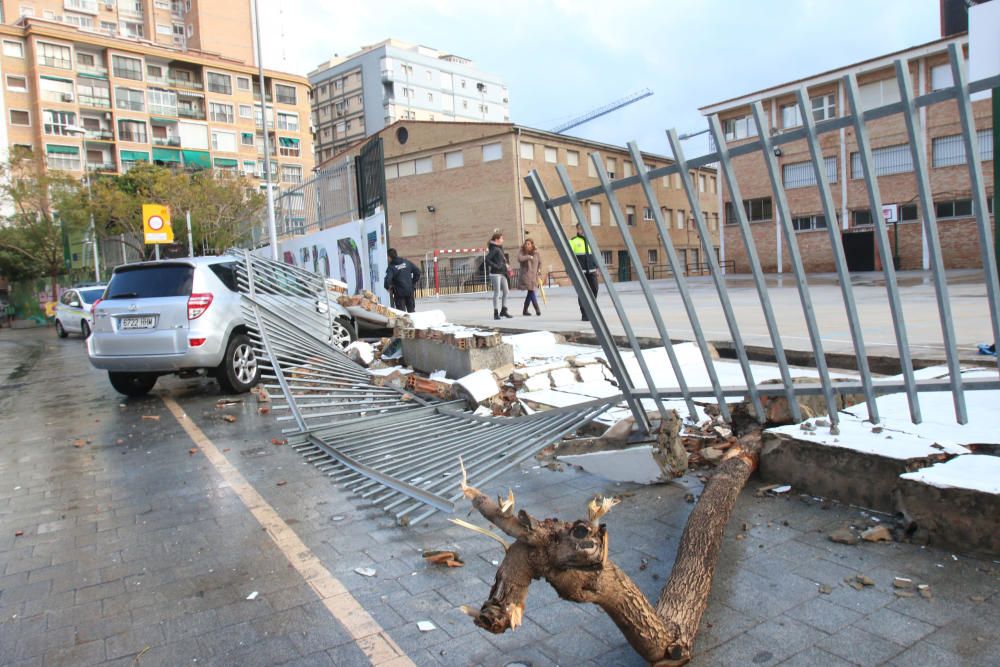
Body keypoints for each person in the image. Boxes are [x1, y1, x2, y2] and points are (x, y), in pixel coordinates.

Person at [569, 223, 599, 321]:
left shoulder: (591, 241)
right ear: (577, 230)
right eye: (580, 228)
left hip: (592, 271)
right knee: (583, 293)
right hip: (580, 272)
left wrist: (597, 267)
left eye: (583, 228)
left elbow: (595, 255)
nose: (582, 230)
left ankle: (591, 310)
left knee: (595, 289)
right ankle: (585, 314)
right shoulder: (573, 241)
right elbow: (569, 257)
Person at [383, 248, 421, 313]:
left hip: (399, 293)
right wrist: (412, 282)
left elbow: (387, 280)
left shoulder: (391, 267)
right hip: (409, 291)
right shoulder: (406, 262)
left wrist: (388, 287)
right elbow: (417, 271)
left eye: (387, 257)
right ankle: (413, 322)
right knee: (411, 311)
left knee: (401, 314)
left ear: (389, 257)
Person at [485, 232, 512, 320]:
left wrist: (506, 266)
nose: (503, 240)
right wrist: (496, 266)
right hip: (495, 273)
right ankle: (495, 313)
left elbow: (502, 260)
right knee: (497, 293)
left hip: (502, 272)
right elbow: (487, 259)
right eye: (501, 238)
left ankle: (503, 310)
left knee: (506, 291)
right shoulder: (494, 249)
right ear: (497, 239)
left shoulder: (499, 248)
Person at [517, 238, 542, 316]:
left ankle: (525, 310)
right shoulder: (522, 252)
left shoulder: (536, 253)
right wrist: (528, 256)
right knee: (531, 291)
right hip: (526, 275)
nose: (527, 245)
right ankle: (537, 309)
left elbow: (540, 262)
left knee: (530, 292)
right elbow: (520, 259)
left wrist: (539, 270)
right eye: (526, 243)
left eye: (528, 244)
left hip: (534, 275)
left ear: (532, 244)